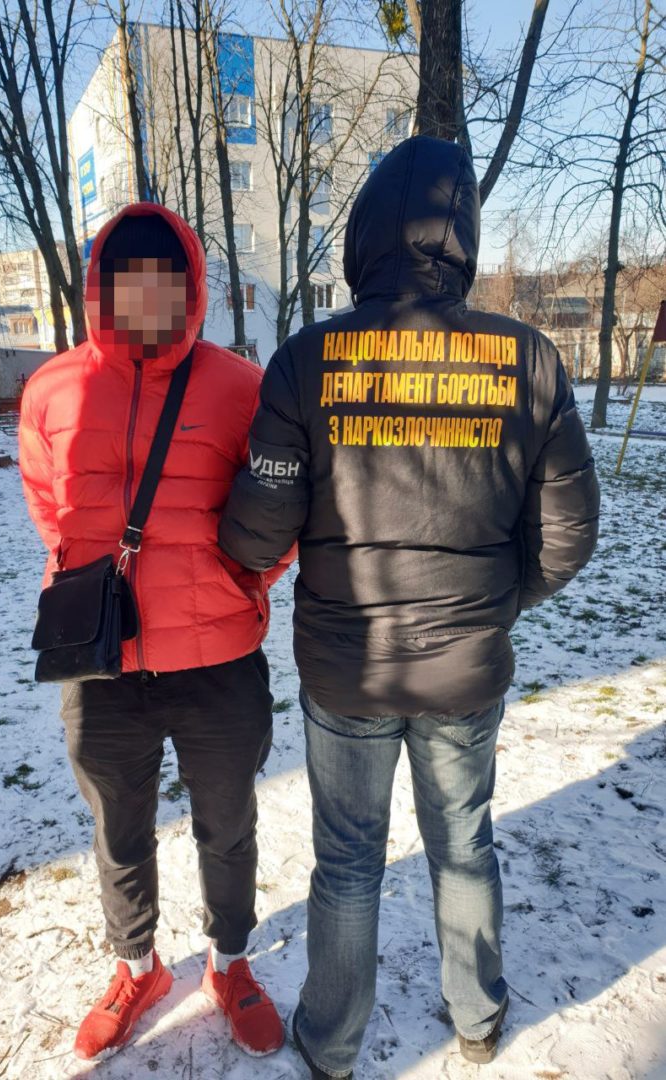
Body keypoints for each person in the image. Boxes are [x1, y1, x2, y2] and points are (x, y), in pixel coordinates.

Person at [219, 136, 600, 1079]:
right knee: (464, 844)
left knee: (348, 861)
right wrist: (495, 605)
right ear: (462, 234)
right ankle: (477, 1017)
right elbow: (570, 533)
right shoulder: (528, 357)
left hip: (348, 666)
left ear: (364, 236)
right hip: (466, 664)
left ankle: (332, 1044)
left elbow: (258, 535)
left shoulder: (306, 361)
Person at [19, 204, 292, 1063]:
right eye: (125, 280)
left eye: (162, 280)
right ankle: (137, 968)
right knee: (119, 831)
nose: (143, 296)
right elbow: (47, 505)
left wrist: (242, 585)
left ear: (190, 287)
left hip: (219, 663)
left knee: (228, 824)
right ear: (100, 289)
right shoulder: (51, 390)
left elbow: (278, 512)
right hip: (103, 664)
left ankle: (231, 965)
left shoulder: (241, 387)